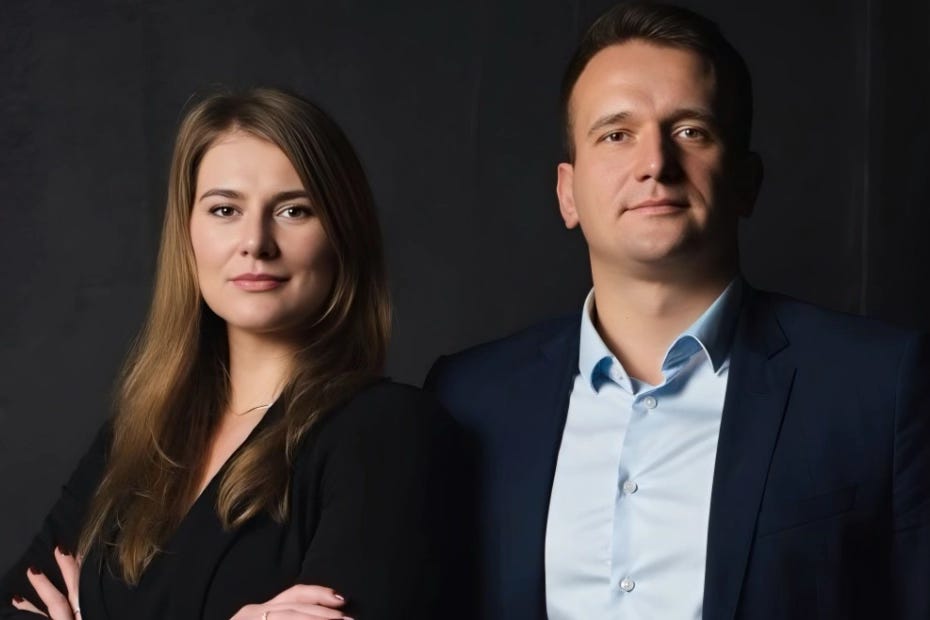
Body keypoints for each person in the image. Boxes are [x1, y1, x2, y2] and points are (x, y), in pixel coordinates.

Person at [425, 3, 930, 619]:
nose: (655, 165)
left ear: (745, 182)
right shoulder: (468, 397)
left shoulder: (879, 386)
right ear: (567, 192)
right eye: (616, 135)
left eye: (691, 131)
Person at [1, 88, 461, 620]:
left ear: (343, 235)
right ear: (188, 233)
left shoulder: (387, 431)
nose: (255, 242)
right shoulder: (138, 434)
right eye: (225, 209)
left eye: (294, 210)